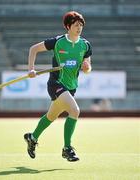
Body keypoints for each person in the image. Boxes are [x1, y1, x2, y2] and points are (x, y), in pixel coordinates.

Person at [24, 11, 92, 162]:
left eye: (81, 25)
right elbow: (33, 49)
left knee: (51, 116)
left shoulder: (85, 45)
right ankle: (67, 148)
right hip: (56, 84)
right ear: (68, 26)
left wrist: (87, 67)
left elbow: (87, 68)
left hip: (71, 86)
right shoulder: (58, 42)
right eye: (76, 25)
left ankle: (32, 137)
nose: (79, 28)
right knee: (74, 110)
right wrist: (31, 69)